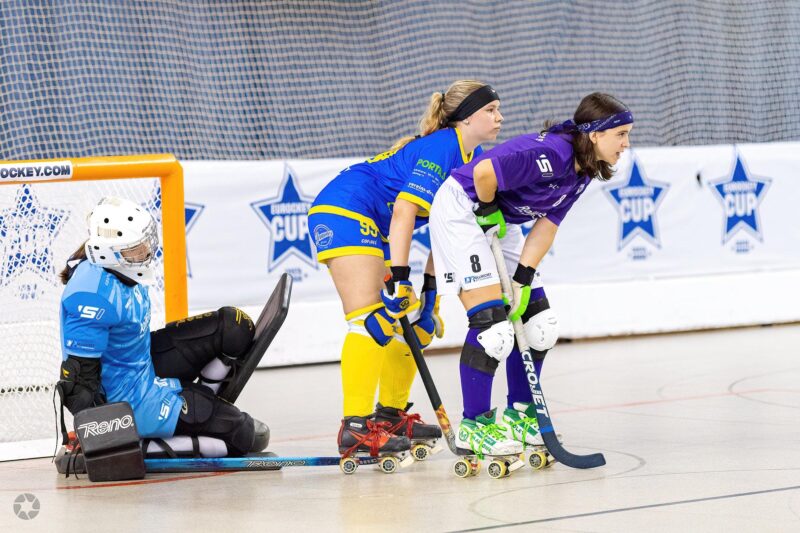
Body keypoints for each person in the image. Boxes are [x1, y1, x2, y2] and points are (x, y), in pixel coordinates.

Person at [429, 92, 633, 458]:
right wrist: (487, 209)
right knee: (493, 330)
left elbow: (548, 224)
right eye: (621, 134)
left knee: (540, 325)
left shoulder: (583, 170)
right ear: (595, 134)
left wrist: (523, 278)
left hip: (499, 219)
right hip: (462, 210)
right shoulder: (551, 154)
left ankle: (519, 416)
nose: (626, 144)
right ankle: (474, 427)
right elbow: (484, 173)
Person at [309, 80, 504, 458]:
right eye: (490, 110)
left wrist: (430, 293)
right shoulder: (443, 146)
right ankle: (355, 427)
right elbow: (404, 211)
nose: (500, 117)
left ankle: (390, 416)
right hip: (345, 208)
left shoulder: (472, 155)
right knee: (372, 318)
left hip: (374, 223)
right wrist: (400, 279)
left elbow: (448, 229)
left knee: (417, 323)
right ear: (466, 118)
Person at [57, 196, 268, 460]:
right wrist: (107, 440)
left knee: (233, 327)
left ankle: (201, 407)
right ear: (109, 252)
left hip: (140, 363)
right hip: (130, 401)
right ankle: (142, 444)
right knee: (245, 435)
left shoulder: (120, 269)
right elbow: (79, 387)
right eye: (136, 247)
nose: (146, 251)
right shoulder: (91, 296)